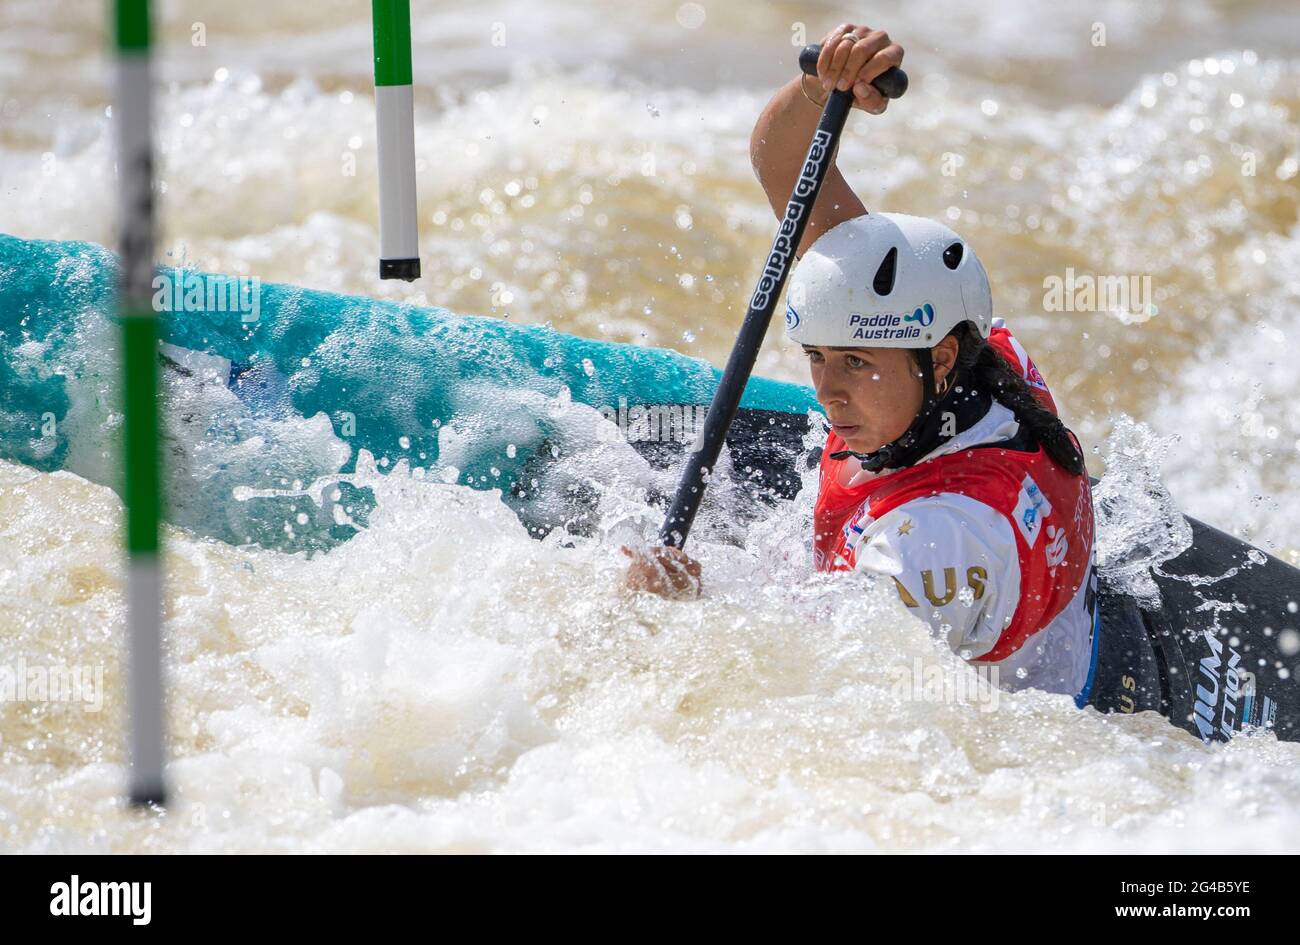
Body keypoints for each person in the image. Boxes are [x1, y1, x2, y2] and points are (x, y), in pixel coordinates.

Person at [622, 23, 1100, 703]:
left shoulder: (927, 545)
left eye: (853, 361)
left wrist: (681, 614)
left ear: (939, 360)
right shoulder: (982, 353)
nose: (827, 391)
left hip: (1023, 702)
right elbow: (784, 160)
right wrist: (822, 86)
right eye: (816, 356)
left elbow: (808, 699)